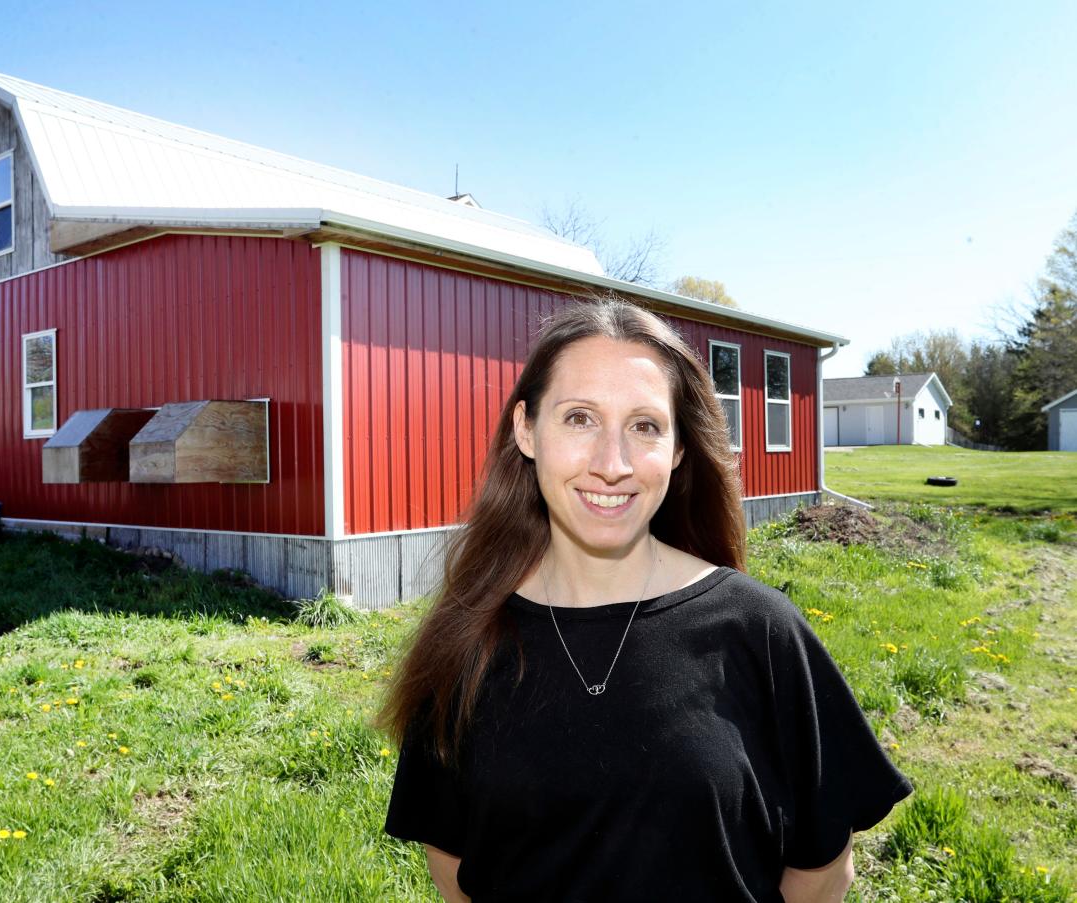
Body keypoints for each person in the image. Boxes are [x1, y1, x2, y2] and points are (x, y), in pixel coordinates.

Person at [379, 297, 912, 902]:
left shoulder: (761, 632)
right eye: (580, 418)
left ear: (679, 448)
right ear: (526, 430)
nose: (613, 464)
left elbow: (821, 873)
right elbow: (455, 869)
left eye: (645, 426)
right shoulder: (466, 640)